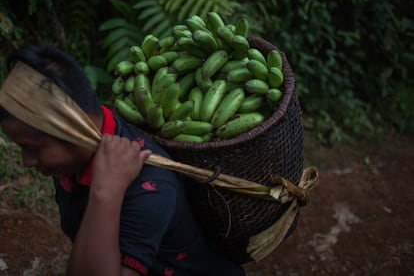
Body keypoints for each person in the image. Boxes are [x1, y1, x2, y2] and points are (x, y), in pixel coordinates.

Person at [0, 45, 246, 276]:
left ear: (67, 130)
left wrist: (106, 192)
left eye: (30, 148)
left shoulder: (151, 186)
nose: (26, 161)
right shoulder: (69, 162)